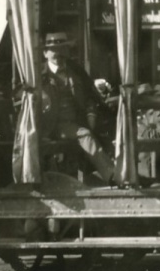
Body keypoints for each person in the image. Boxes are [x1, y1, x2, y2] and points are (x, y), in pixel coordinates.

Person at [40, 32, 116, 184]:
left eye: (62, 49)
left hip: (79, 120)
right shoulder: (38, 74)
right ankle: (112, 176)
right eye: (54, 50)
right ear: (45, 53)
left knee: (109, 131)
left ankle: (116, 172)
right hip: (52, 125)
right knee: (85, 134)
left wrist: (92, 113)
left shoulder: (75, 70)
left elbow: (90, 96)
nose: (59, 54)